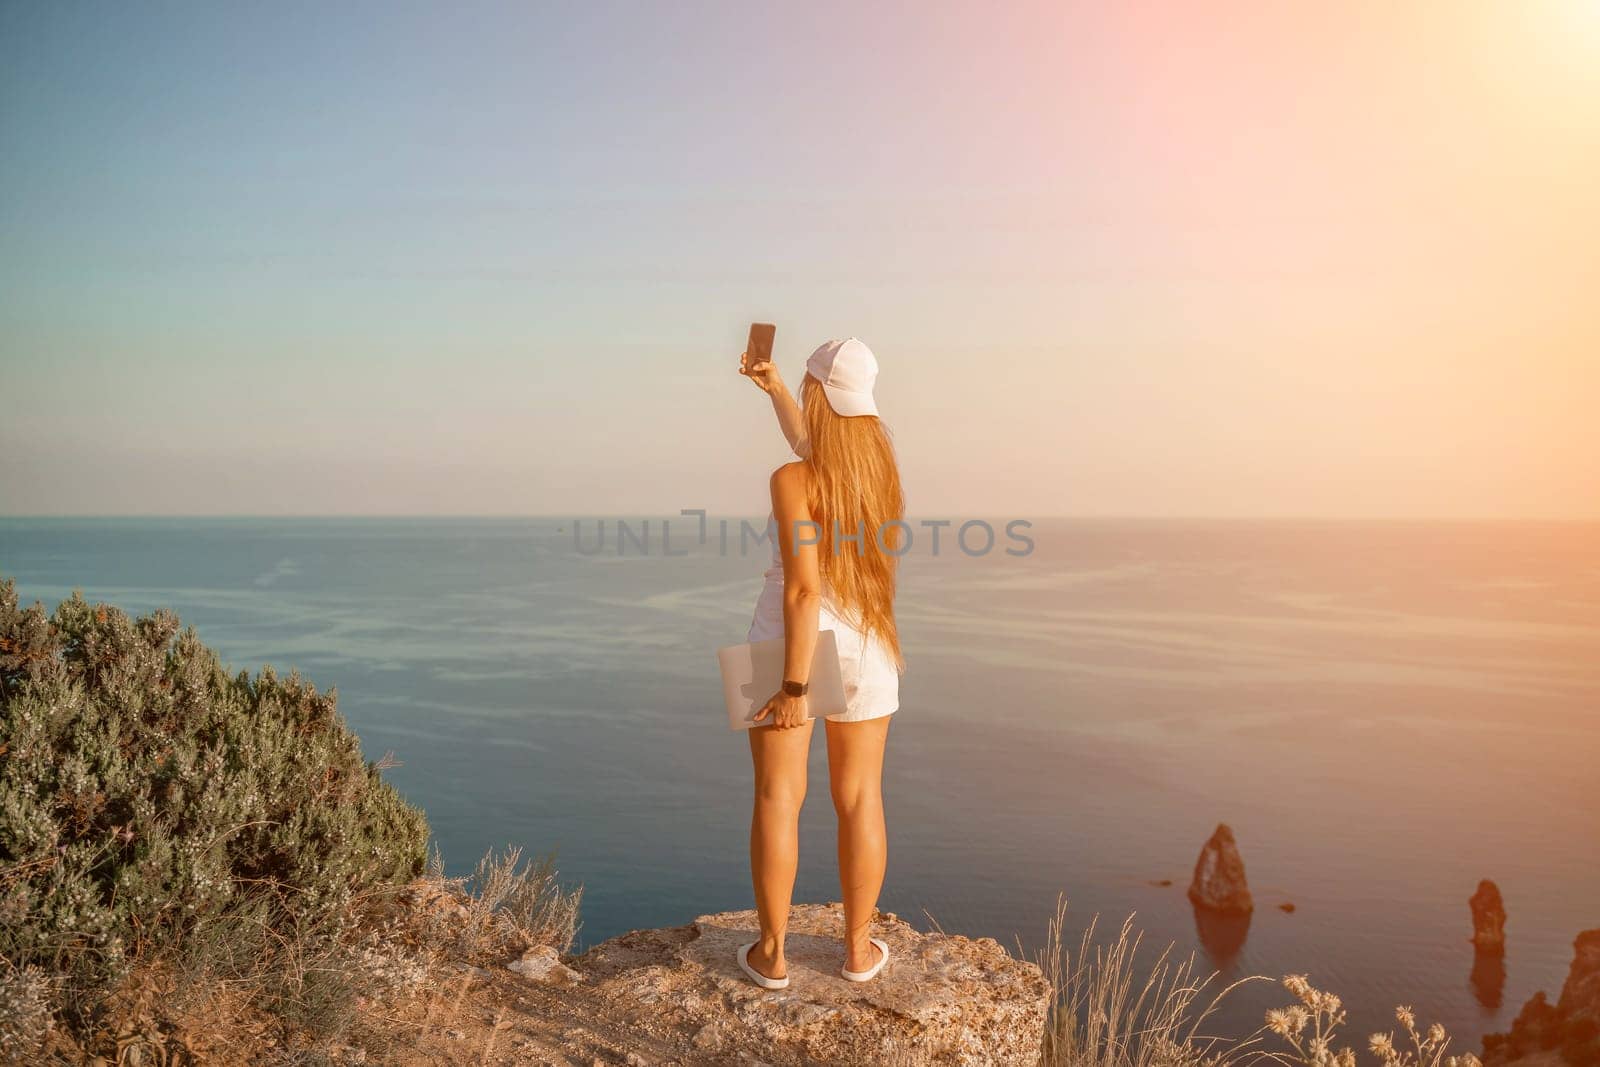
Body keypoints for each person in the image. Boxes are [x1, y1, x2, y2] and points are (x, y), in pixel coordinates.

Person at [733, 337, 905, 989]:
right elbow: (820, 452)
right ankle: (858, 951)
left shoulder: (790, 480)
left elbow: (802, 589)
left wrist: (795, 684)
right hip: (869, 643)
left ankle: (773, 956)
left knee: (779, 796)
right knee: (861, 797)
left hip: (790, 648)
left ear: (817, 393)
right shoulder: (878, 472)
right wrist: (775, 389)